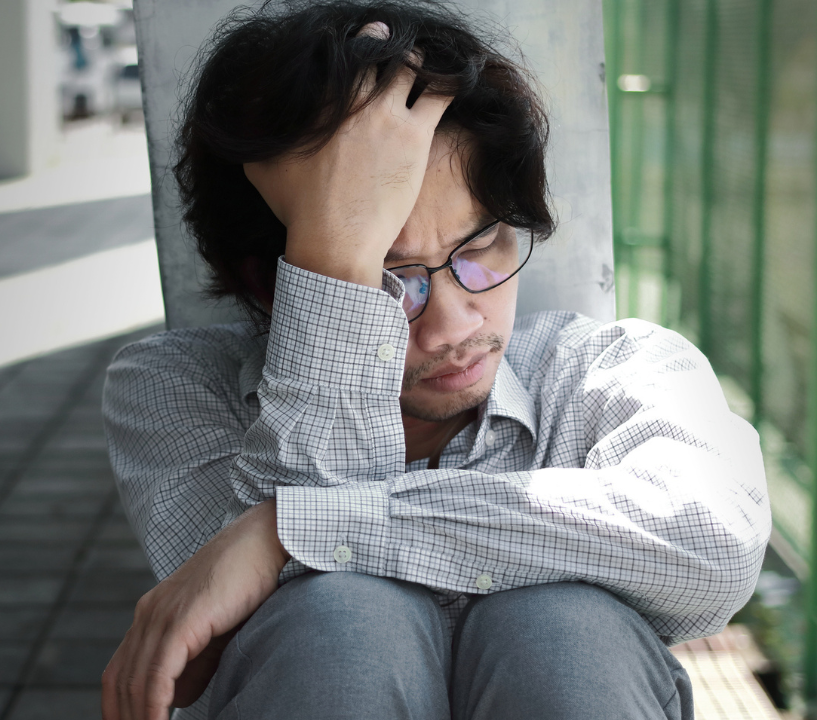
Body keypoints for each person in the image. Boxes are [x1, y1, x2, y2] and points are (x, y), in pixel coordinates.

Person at [99, 2, 770, 719]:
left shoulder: (608, 371)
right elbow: (247, 624)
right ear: (269, 279)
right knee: (336, 625)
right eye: (390, 278)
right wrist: (333, 257)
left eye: (479, 248)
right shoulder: (175, 391)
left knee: (563, 630)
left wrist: (287, 528)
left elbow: (712, 545)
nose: (455, 324)